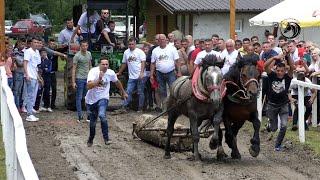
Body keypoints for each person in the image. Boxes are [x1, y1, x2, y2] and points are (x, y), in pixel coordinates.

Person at [86, 57, 128, 147]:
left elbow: (117, 82)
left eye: (106, 64)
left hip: (103, 98)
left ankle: (106, 138)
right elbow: (88, 86)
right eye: (103, 64)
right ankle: (90, 138)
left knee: (102, 115)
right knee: (93, 123)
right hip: (92, 100)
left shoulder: (110, 73)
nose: (105, 66)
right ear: (99, 65)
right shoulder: (93, 72)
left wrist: (123, 92)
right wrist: (99, 79)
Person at [264, 52, 295, 151]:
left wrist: (288, 56)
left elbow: (292, 67)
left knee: (284, 126)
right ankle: (270, 124)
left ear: (285, 71)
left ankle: (277, 145)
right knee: (274, 128)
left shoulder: (288, 77)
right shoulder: (272, 75)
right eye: (278, 70)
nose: (279, 73)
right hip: (272, 105)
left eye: (281, 71)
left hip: (283, 105)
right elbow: (265, 66)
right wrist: (274, 57)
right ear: (275, 70)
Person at [150, 34, 181, 111]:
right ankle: (164, 108)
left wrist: (179, 72)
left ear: (166, 40)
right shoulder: (155, 50)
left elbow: (177, 61)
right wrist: (151, 75)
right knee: (162, 91)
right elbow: (153, 63)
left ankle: (173, 108)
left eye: (163, 39)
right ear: (158, 41)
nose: (162, 41)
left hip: (171, 72)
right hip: (159, 73)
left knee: (173, 89)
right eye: (160, 40)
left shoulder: (172, 49)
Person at [117, 38, 146, 111]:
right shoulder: (126, 52)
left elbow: (143, 62)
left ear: (135, 44)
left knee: (140, 92)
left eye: (132, 44)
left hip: (140, 75)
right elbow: (124, 63)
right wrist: (120, 72)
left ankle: (140, 108)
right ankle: (125, 106)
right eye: (129, 44)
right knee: (128, 91)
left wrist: (142, 73)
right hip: (131, 76)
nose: (131, 46)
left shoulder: (140, 52)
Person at [72, 40, 92, 122]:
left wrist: (92, 77)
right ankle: (80, 116)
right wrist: (73, 81)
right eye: (83, 46)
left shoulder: (89, 54)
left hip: (87, 79)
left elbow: (90, 65)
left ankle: (89, 116)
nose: (84, 47)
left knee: (87, 97)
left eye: (86, 46)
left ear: (87, 46)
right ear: (80, 46)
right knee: (79, 98)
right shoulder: (77, 56)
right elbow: (74, 69)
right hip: (79, 78)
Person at [23, 36, 42, 122]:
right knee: (30, 95)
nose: (36, 44)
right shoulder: (28, 51)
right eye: (35, 42)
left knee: (33, 95)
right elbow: (25, 63)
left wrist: (39, 77)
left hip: (35, 76)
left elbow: (35, 66)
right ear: (31, 43)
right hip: (30, 76)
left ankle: (30, 112)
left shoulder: (37, 52)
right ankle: (29, 114)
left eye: (37, 42)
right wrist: (27, 74)